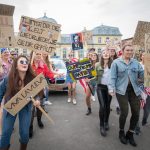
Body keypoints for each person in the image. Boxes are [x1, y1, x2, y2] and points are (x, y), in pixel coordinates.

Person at [0, 55, 41, 150]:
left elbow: (37, 93)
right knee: (6, 132)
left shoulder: (32, 79)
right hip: (10, 107)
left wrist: (38, 100)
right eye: (21, 62)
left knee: (25, 133)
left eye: (26, 62)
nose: (25, 63)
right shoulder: (8, 78)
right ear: (16, 66)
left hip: (26, 107)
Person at [109, 44, 144, 146]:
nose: (129, 52)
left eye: (131, 50)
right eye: (127, 50)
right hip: (121, 90)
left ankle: (130, 133)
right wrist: (111, 89)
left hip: (134, 90)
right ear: (123, 51)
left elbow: (142, 73)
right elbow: (113, 77)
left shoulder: (135, 62)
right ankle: (121, 132)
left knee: (136, 113)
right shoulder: (116, 62)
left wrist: (142, 79)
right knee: (124, 112)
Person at [29, 51, 57, 138]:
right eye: (36, 54)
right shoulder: (29, 65)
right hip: (29, 91)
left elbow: (49, 74)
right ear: (32, 55)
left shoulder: (43, 65)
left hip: (40, 90)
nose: (38, 55)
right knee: (31, 110)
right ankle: (30, 127)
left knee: (40, 107)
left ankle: (39, 120)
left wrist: (57, 75)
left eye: (39, 54)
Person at [95, 50, 112, 137]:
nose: (105, 53)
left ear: (109, 55)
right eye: (104, 53)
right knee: (102, 106)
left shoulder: (113, 64)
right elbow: (94, 75)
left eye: (107, 53)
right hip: (100, 87)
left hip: (109, 88)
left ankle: (106, 122)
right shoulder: (97, 64)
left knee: (108, 106)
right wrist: (89, 79)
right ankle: (101, 126)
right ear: (101, 55)